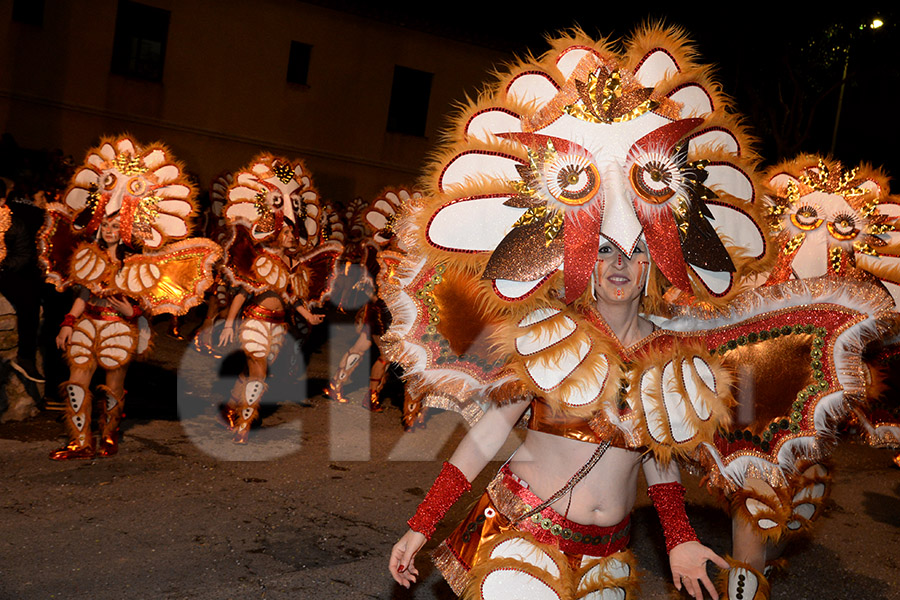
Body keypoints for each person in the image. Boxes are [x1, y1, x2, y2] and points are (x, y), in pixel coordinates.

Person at [390, 238, 730, 599]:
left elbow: (658, 456)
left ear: (652, 265)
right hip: (525, 535)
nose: (619, 263)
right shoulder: (549, 332)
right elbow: (486, 437)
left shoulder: (671, 354)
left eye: (635, 252)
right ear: (586, 261)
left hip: (607, 556)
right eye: (604, 250)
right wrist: (423, 524)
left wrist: (679, 537)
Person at [215, 153, 342, 443]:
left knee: (253, 371)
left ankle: (230, 406)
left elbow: (290, 296)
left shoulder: (292, 266)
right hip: (255, 320)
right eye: (286, 233)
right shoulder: (263, 259)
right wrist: (228, 323)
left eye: (292, 234)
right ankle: (244, 424)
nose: (290, 237)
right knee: (259, 372)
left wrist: (308, 315)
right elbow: (245, 290)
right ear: (276, 234)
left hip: (278, 325)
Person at [51, 213, 140, 459]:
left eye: (115, 226)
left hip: (119, 327)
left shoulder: (134, 261)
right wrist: (68, 322)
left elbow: (147, 298)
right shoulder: (89, 255)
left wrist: (131, 311)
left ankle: (109, 436)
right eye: (105, 225)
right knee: (76, 385)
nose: (109, 230)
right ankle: (80, 442)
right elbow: (83, 293)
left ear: (125, 231)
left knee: (113, 388)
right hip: (88, 323)